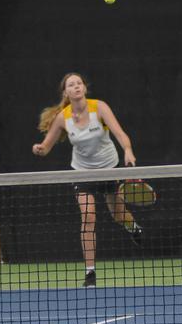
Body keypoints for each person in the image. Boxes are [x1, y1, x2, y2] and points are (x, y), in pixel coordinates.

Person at [32, 72, 142, 288]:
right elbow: (46, 147)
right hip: (82, 173)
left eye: (79, 83)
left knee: (118, 215)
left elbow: (120, 133)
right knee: (88, 216)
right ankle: (90, 272)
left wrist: (128, 150)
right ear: (66, 92)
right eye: (71, 85)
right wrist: (39, 149)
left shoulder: (99, 107)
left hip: (110, 168)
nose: (76, 87)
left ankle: (134, 228)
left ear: (84, 88)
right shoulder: (62, 118)